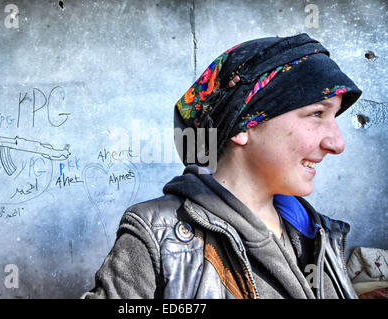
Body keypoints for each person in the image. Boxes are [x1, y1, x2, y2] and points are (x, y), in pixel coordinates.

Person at [82, 33, 362, 299]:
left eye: (334, 116)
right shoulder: (157, 236)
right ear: (243, 126)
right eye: (316, 113)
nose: (337, 143)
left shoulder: (319, 234)